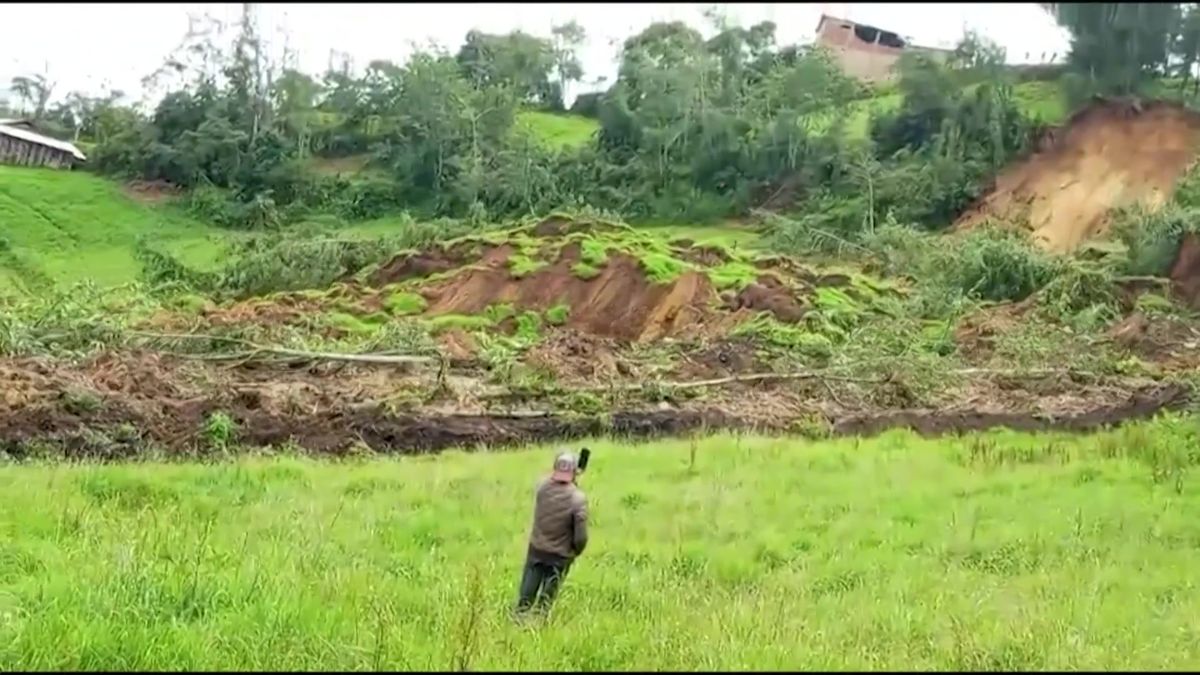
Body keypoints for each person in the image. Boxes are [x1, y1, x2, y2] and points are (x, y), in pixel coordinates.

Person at [515, 450, 589, 616]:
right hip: (560, 556)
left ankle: (518, 620)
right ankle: (538, 623)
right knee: (545, 601)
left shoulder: (542, 488)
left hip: (537, 549)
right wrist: (576, 551)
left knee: (525, 597)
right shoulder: (578, 499)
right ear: (574, 471)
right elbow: (581, 537)